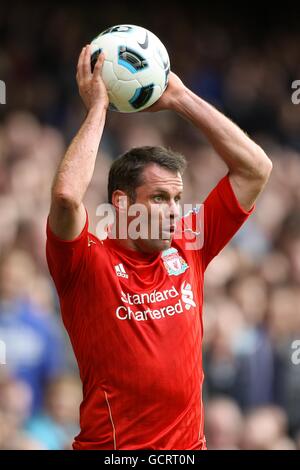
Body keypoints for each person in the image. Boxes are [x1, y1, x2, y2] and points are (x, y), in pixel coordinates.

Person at [46, 45, 272, 450]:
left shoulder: (191, 243)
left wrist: (180, 99)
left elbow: (256, 169)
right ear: (122, 203)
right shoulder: (86, 260)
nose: (174, 211)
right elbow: (65, 198)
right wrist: (98, 108)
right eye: (159, 199)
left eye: (177, 199)